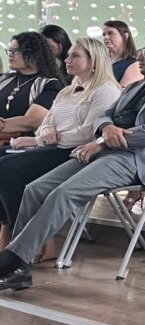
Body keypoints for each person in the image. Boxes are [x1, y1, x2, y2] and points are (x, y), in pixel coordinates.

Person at [0, 34, 145, 290]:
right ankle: (20, 266)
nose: (140, 56)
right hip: (105, 150)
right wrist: (106, 127)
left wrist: (104, 141)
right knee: (35, 189)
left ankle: (13, 258)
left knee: (63, 193)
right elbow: (105, 115)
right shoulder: (139, 86)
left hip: (138, 159)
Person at [0, 39, 119, 254]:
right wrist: (45, 133)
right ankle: (11, 230)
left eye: (75, 56)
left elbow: (89, 132)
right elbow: (46, 124)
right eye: (68, 55)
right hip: (54, 147)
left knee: (8, 168)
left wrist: (41, 139)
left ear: (94, 61)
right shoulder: (67, 90)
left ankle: (20, 241)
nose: (67, 59)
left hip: (76, 153)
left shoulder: (105, 90)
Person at [0, 33, 64, 144]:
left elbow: (32, 121)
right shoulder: (4, 79)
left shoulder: (50, 85)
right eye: (9, 50)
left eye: (15, 50)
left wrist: (3, 125)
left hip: (20, 146)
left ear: (34, 54)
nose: (10, 54)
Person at [100, 21, 143, 88]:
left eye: (110, 33)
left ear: (125, 36)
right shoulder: (101, 61)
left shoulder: (135, 65)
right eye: (104, 34)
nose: (106, 37)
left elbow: (124, 95)